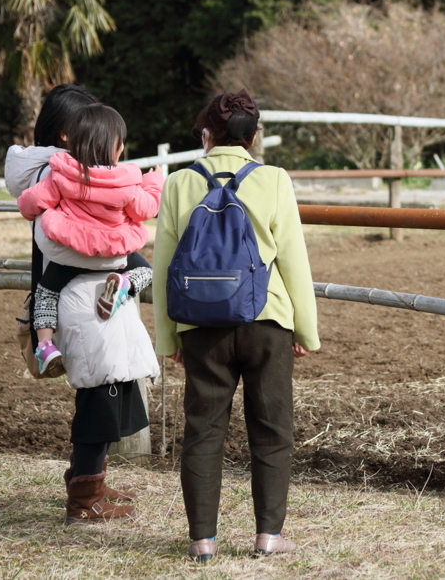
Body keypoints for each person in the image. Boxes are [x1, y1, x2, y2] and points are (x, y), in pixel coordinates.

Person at [153, 89, 319, 562]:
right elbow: (293, 261)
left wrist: (170, 336)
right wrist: (304, 332)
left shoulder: (179, 183)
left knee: (203, 430)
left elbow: (166, 262)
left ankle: (202, 539)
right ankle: (268, 535)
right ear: (253, 136)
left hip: (200, 325)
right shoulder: (274, 179)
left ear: (207, 133)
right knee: (272, 428)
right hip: (267, 322)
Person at [4, 86, 160, 525]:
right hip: (86, 298)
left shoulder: (66, 176)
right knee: (101, 399)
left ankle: (89, 482)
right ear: (66, 136)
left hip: (82, 293)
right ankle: (84, 499)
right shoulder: (60, 179)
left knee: (107, 394)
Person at [16, 104, 163, 375]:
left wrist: (25, 205)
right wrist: (154, 180)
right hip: (113, 254)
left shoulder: (62, 175)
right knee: (145, 270)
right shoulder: (126, 183)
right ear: (117, 147)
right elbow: (147, 208)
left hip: (71, 251)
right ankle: (125, 285)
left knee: (46, 292)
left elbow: (32, 202)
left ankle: (46, 346)